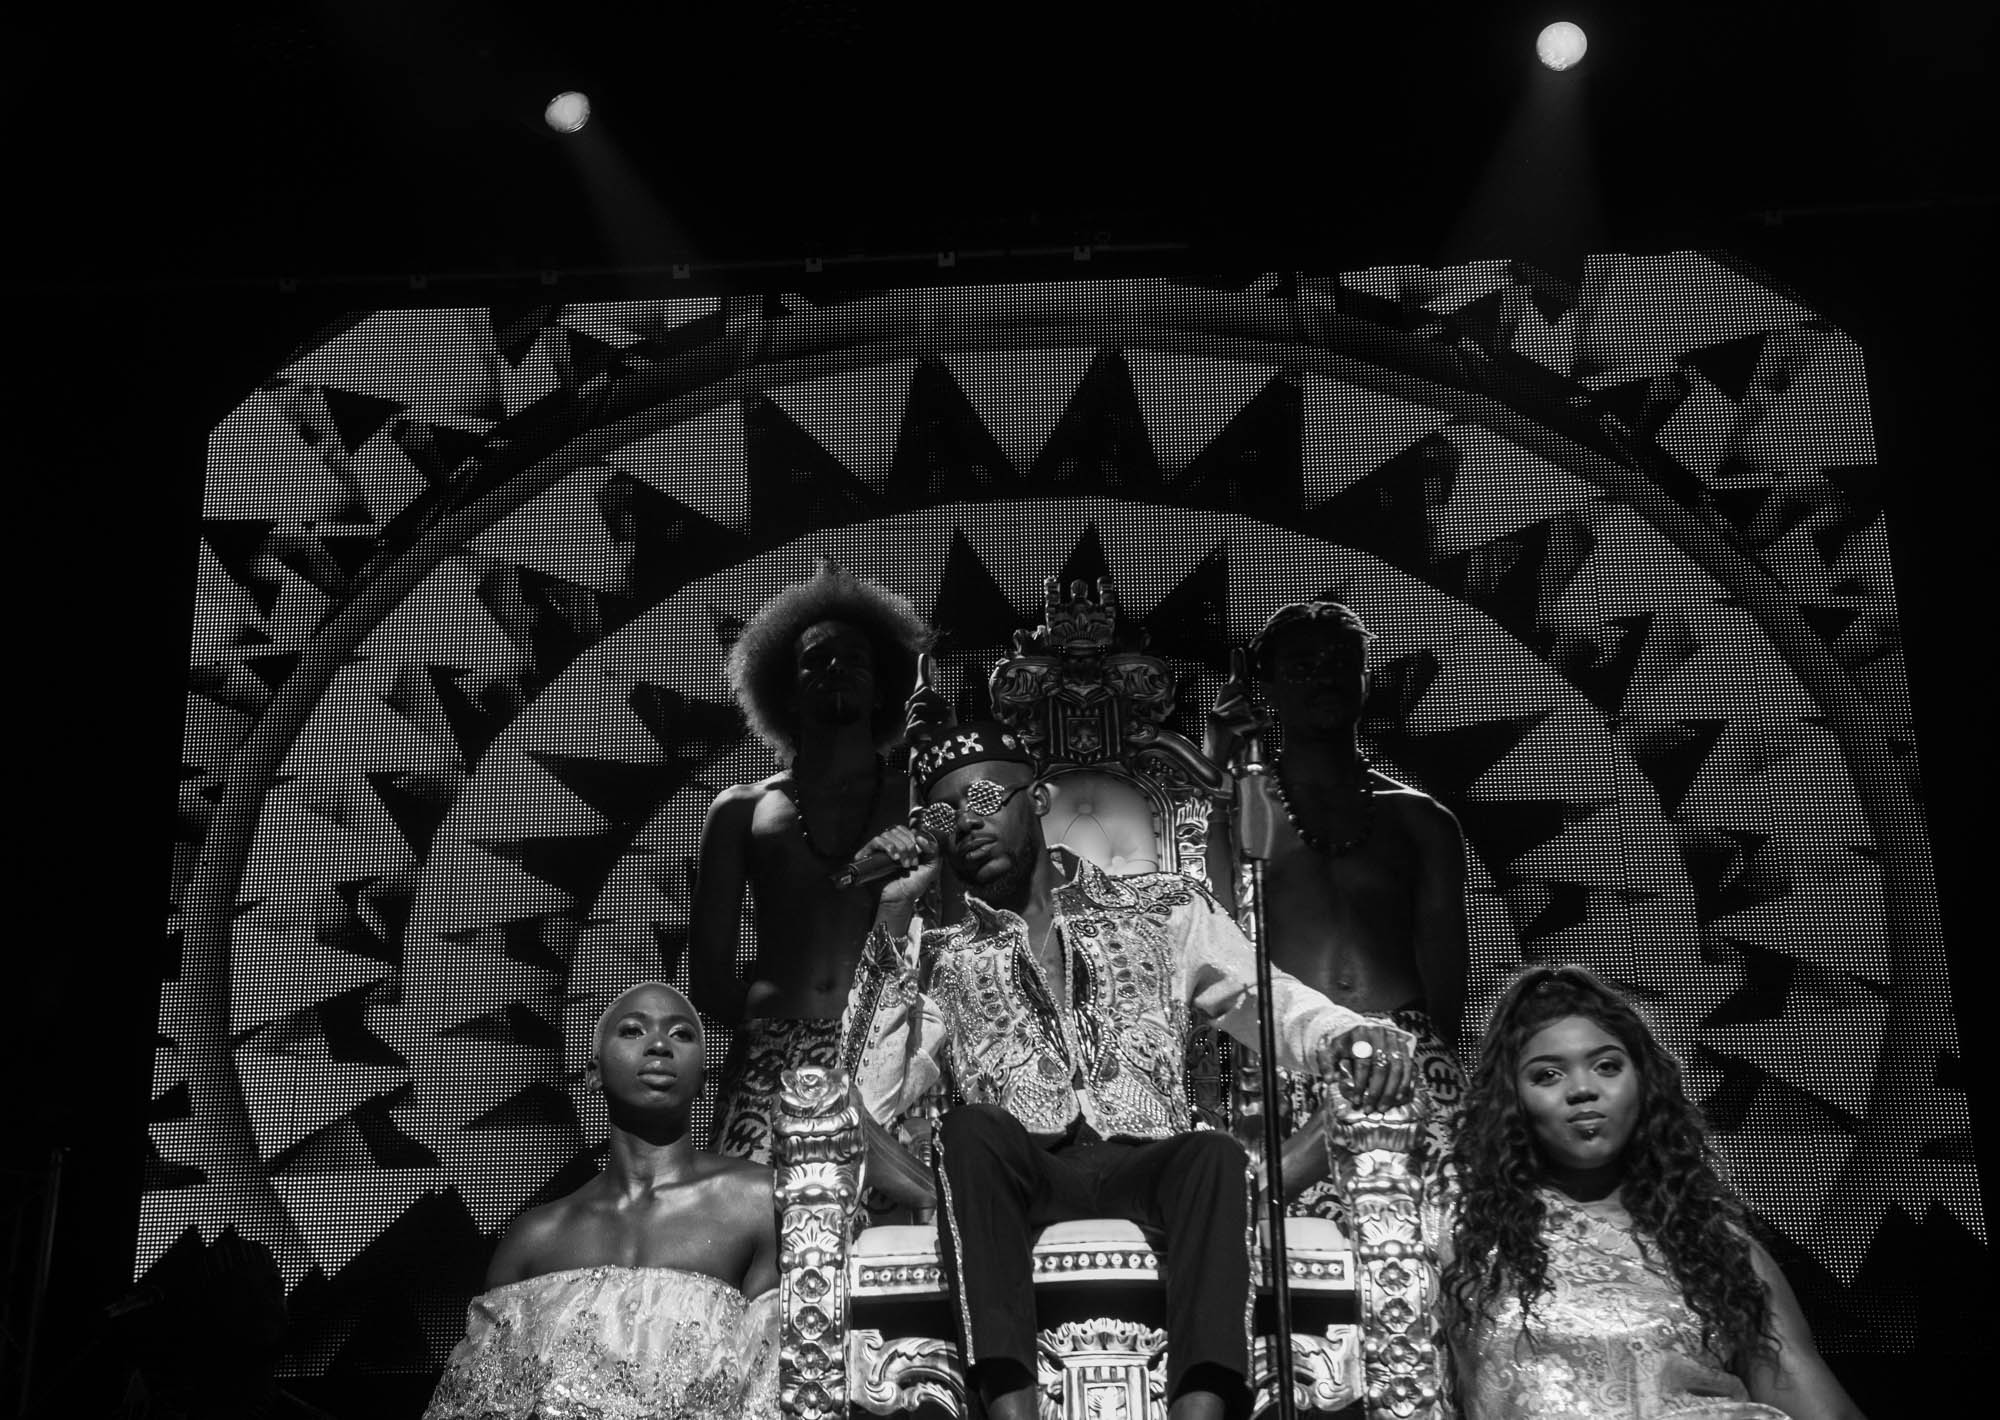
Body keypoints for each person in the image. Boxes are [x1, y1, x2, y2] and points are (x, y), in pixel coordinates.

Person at [850, 721, 1419, 1420]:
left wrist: (1355, 1036)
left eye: (986, 798)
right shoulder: (941, 955)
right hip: (1023, 1175)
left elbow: (1271, 1004)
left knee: (1213, 1156)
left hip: (1147, 1161)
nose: (966, 823)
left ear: (1039, 797)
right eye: (942, 815)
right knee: (970, 1132)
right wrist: (895, 909)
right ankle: (1010, 1411)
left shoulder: (1164, 907)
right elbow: (869, 1100)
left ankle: (1202, 1412)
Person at [1438, 965, 1867, 1420]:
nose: (1583, 1089)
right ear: (1511, 1101)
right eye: (1547, 1075)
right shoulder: (1462, 1235)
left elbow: (1817, 1406)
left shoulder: (1717, 1248)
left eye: (1607, 1066)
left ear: (1645, 1085)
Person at [1207, 600, 1468, 1217]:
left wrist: (1424, 1075)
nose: (1323, 678)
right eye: (1301, 666)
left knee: (1440, 1254)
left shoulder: (1422, 821)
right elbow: (1219, 944)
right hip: (1285, 1064)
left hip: (1411, 1062)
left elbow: (1446, 989)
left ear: (1366, 678)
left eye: (1339, 663)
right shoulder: (1235, 811)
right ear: (1264, 684)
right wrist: (1219, 764)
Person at [423, 982, 778, 1420]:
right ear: (593, 1072)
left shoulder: (758, 1201)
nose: (660, 1045)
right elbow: (477, 1407)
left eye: (682, 1034)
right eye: (632, 1031)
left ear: (704, 1078)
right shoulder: (535, 1241)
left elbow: (778, 1383)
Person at [689, 560, 933, 1190]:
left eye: (854, 658)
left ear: (884, 688)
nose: (836, 669)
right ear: (785, 691)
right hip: (770, 1061)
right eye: (815, 660)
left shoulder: (922, 798)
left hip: (895, 1048)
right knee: (761, 1245)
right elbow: (710, 978)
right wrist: (778, 1023)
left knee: (906, 1244)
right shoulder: (741, 810)